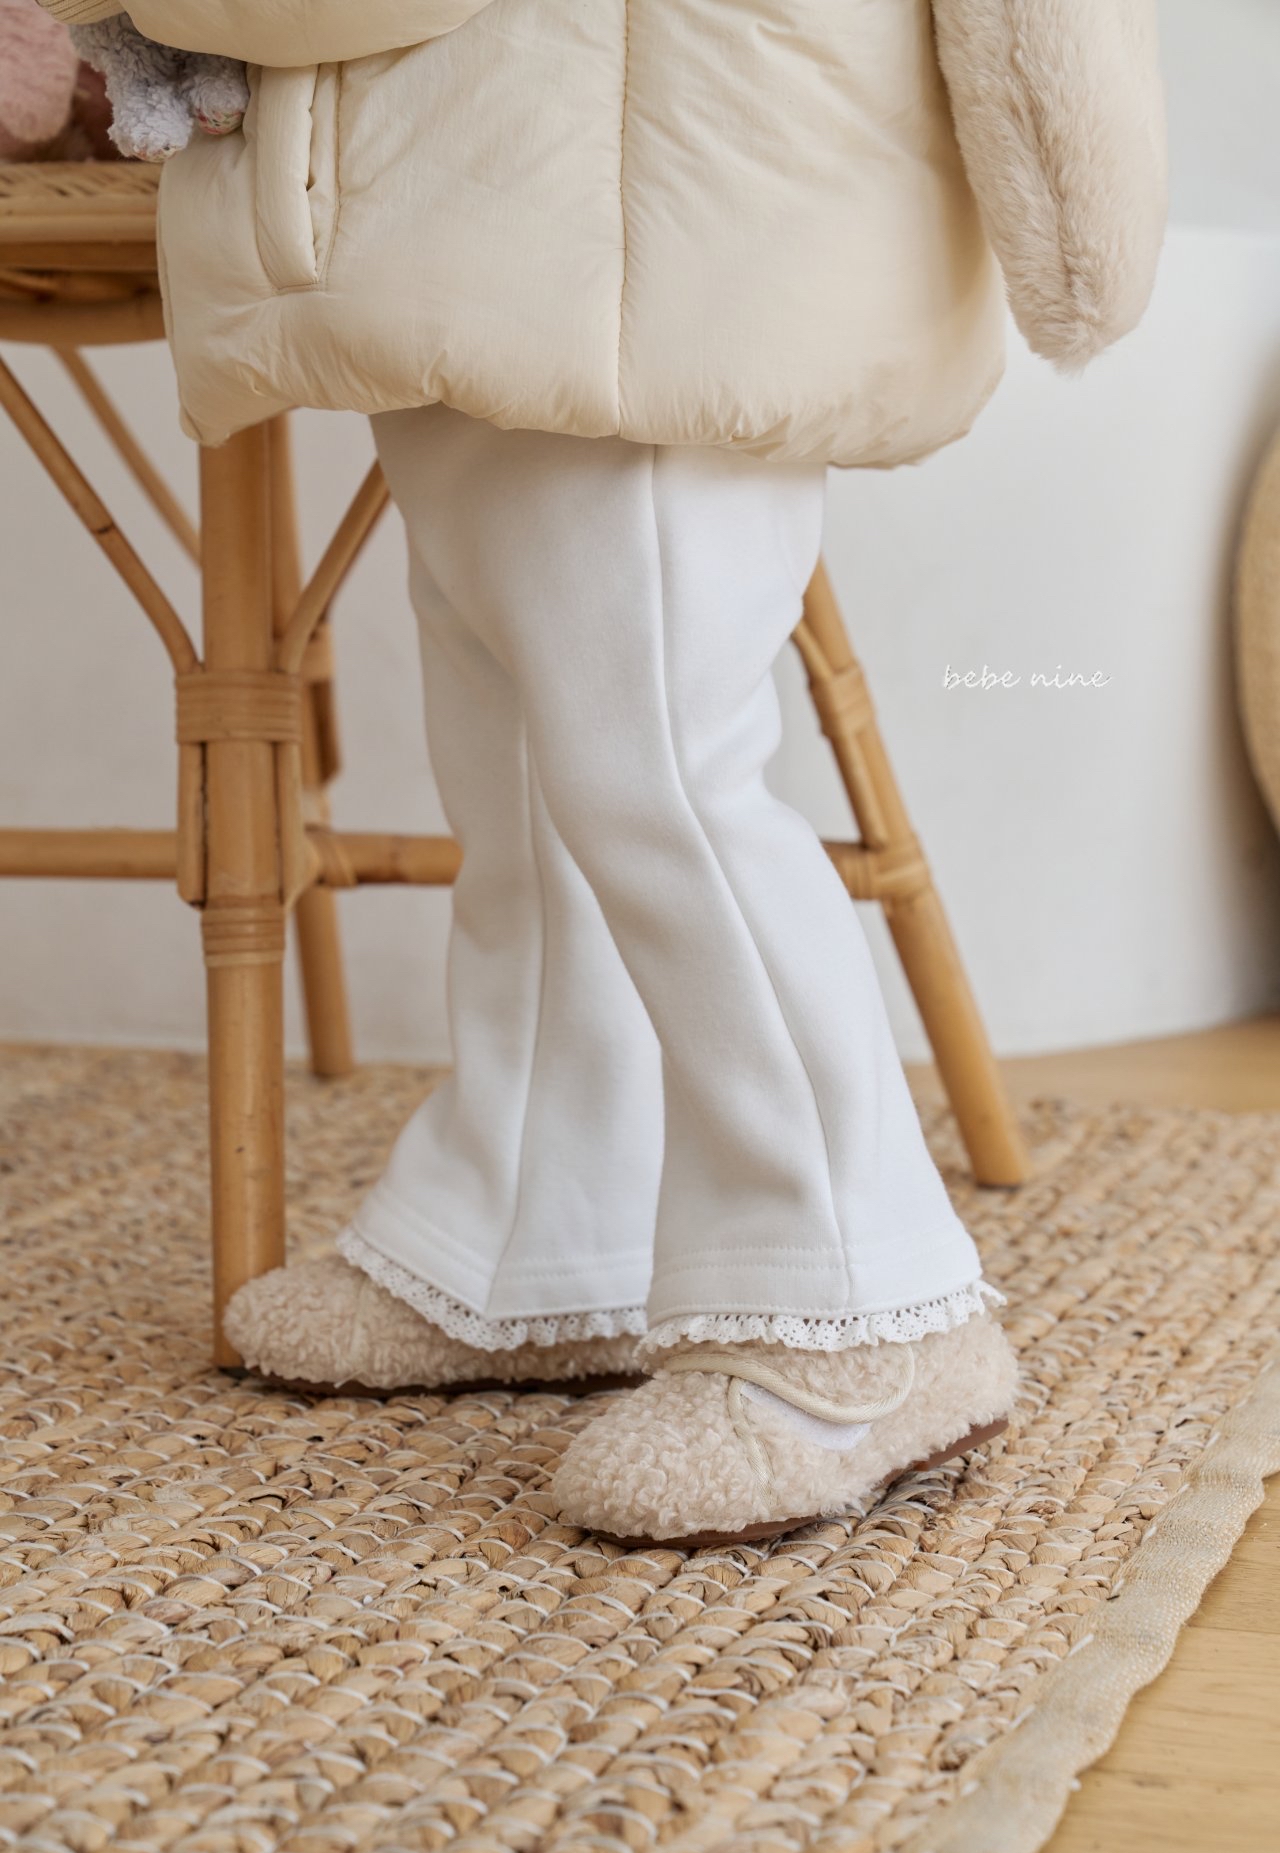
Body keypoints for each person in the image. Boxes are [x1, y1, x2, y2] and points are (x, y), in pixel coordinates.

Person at [49, 0, 1166, 1546]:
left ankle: (858, 1298)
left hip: (644, 205)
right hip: (524, 194)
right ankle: (533, 1233)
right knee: (526, 753)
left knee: (659, 774)